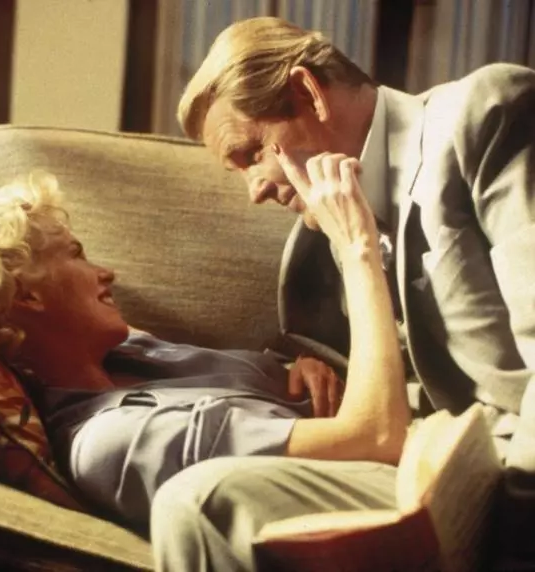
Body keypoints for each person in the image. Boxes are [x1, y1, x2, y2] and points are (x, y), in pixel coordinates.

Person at [150, 15, 535, 571]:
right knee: (196, 505)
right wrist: (312, 368)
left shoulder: (485, 114)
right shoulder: (315, 242)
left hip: (516, 478)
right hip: (418, 471)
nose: (254, 191)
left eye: (251, 153)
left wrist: (519, 544)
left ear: (308, 93)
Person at [0, 170, 408, 530]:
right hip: (402, 485)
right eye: (76, 255)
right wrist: (357, 249)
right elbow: (377, 438)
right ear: (26, 296)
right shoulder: (117, 441)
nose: (106, 272)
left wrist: (302, 368)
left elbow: (262, 385)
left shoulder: (125, 354)